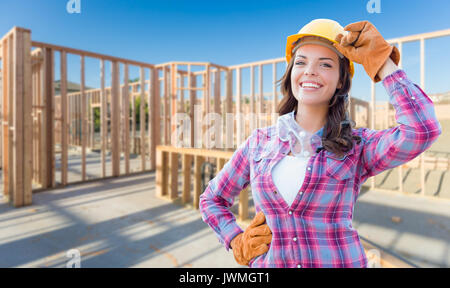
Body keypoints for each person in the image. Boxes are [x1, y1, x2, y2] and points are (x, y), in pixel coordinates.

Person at [199, 19, 442, 268]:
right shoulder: (259, 143)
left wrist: (383, 62)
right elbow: (211, 200)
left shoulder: (356, 147)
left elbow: (422, 130)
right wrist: (236, 240)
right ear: (291, 72)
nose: (310, 71)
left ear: (340, 80)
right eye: (301, 62)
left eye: (325, 64)